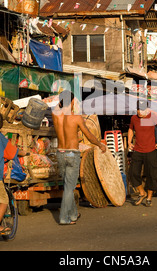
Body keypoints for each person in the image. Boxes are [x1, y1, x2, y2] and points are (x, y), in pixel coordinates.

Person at [52, 90, 107, 225]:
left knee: (67, 185)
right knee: (69, 188)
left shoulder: (55, 115)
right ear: (71, 102)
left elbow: (57, 108)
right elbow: (89, 136)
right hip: (72, 154)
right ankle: (64, 217)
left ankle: (74, 214)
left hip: (60, 153)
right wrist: (100, 144)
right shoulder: (76, 117)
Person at [127, 100, 157, 207]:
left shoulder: (152, 117)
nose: (140, 112)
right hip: (138, 150)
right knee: (133, 173)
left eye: (142, 110)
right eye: (138, 109)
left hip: (151, 151)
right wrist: (129, 142)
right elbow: (131, 129)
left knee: (152, 175)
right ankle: (142, 193)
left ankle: (149, 197)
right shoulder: (134, 118)